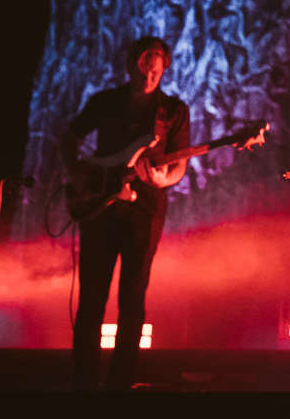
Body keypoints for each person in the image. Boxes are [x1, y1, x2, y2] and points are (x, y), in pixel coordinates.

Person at [60, 36, 190, 390]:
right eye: (142, 69)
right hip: (99, 207)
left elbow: (179, 164)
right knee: (91, 300)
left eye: (154, 71)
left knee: (132, 298)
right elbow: (67, 138)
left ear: (164, 70)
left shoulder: (173, 111)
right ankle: (84, 382)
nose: (147, 76)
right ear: (130, 65)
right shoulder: (105, 101)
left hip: (145, 210)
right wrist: (78, 176)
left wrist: (164, 179)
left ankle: (120, 384)